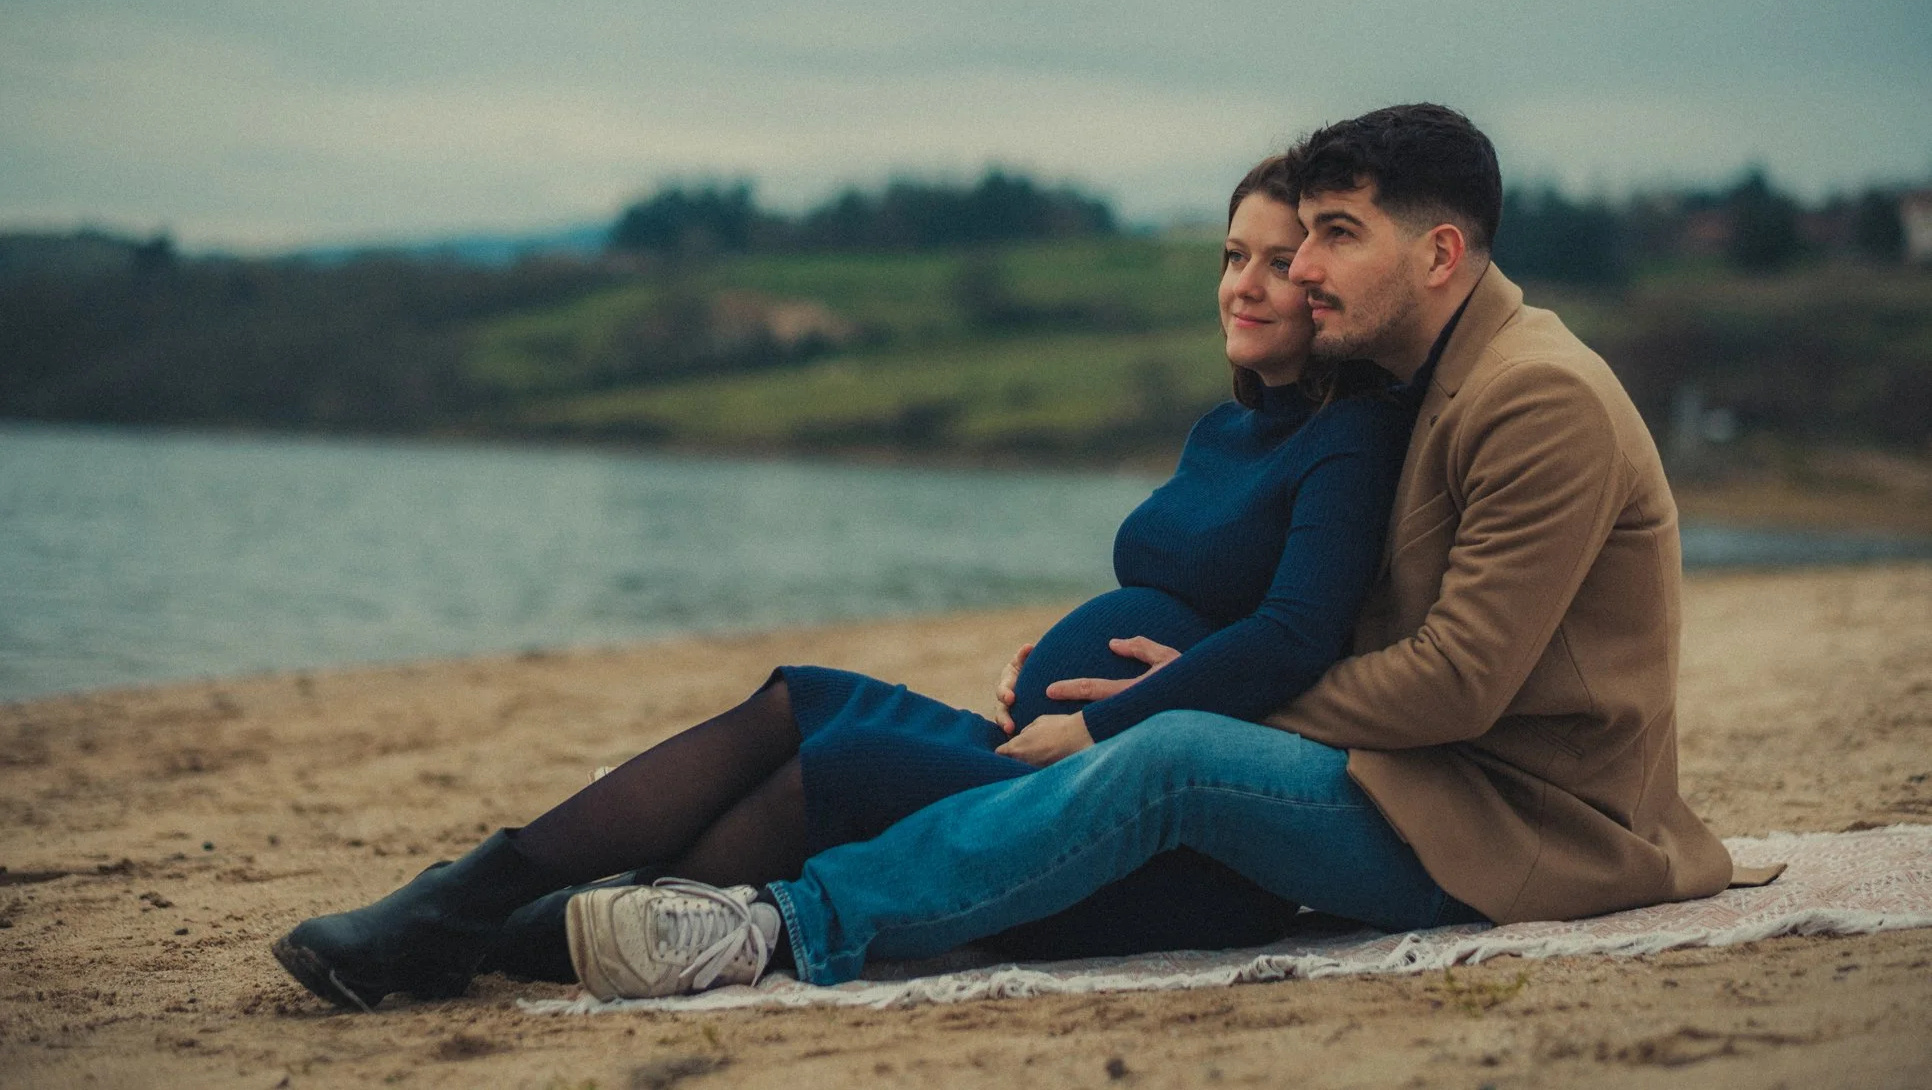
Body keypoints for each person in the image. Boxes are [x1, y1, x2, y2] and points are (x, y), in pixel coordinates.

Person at [554, 102, 1736, 1001]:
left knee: (1170, 756)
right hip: (1412, 773)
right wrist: (1188, 656)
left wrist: (1187, 695)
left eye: (1334, 235)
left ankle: (779, 927)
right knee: (895, 731)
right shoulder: (1414, 382)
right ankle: (561, 901)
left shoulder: (1536, 397)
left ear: (1437, 255)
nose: (1302, 268)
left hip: (1512, 820)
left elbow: (1456, 680)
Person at [271, 151, 1426, 1012]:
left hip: (1147, 834)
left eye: (1286, 262)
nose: (1251, 283)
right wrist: (1063, 660)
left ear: (1331, 287)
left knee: (845, 759)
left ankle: (487, 928)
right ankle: (475, 904)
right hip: (1051, 753)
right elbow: (1194, 594)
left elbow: (1295, 633)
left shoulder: (1353, 436)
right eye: (1235, 256)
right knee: (806, 692)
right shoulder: (1226, 430)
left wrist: (1111, 714)